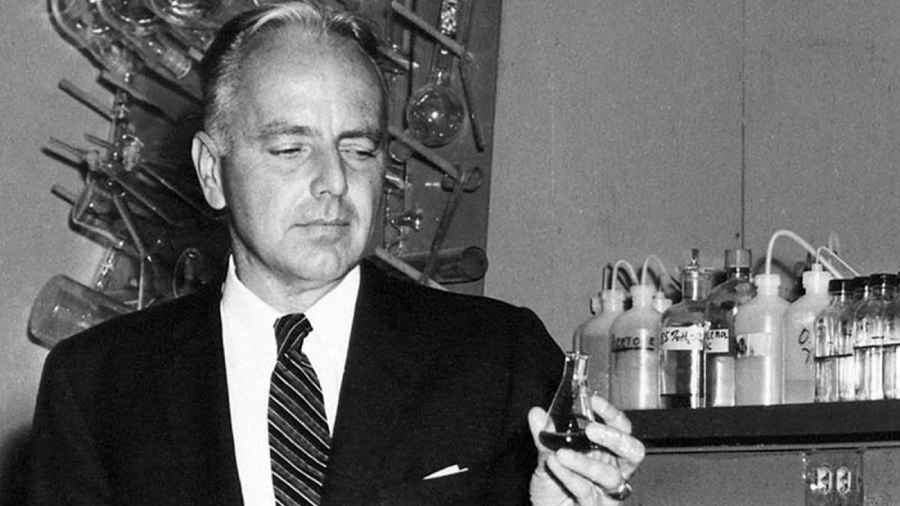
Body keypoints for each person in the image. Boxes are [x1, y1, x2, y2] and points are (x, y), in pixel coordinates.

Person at [28, 2, 644, 505]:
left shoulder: (500, 357)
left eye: (357, 149)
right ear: (212, 172)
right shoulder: (98, 388)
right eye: (290, 149)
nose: (334, 183)